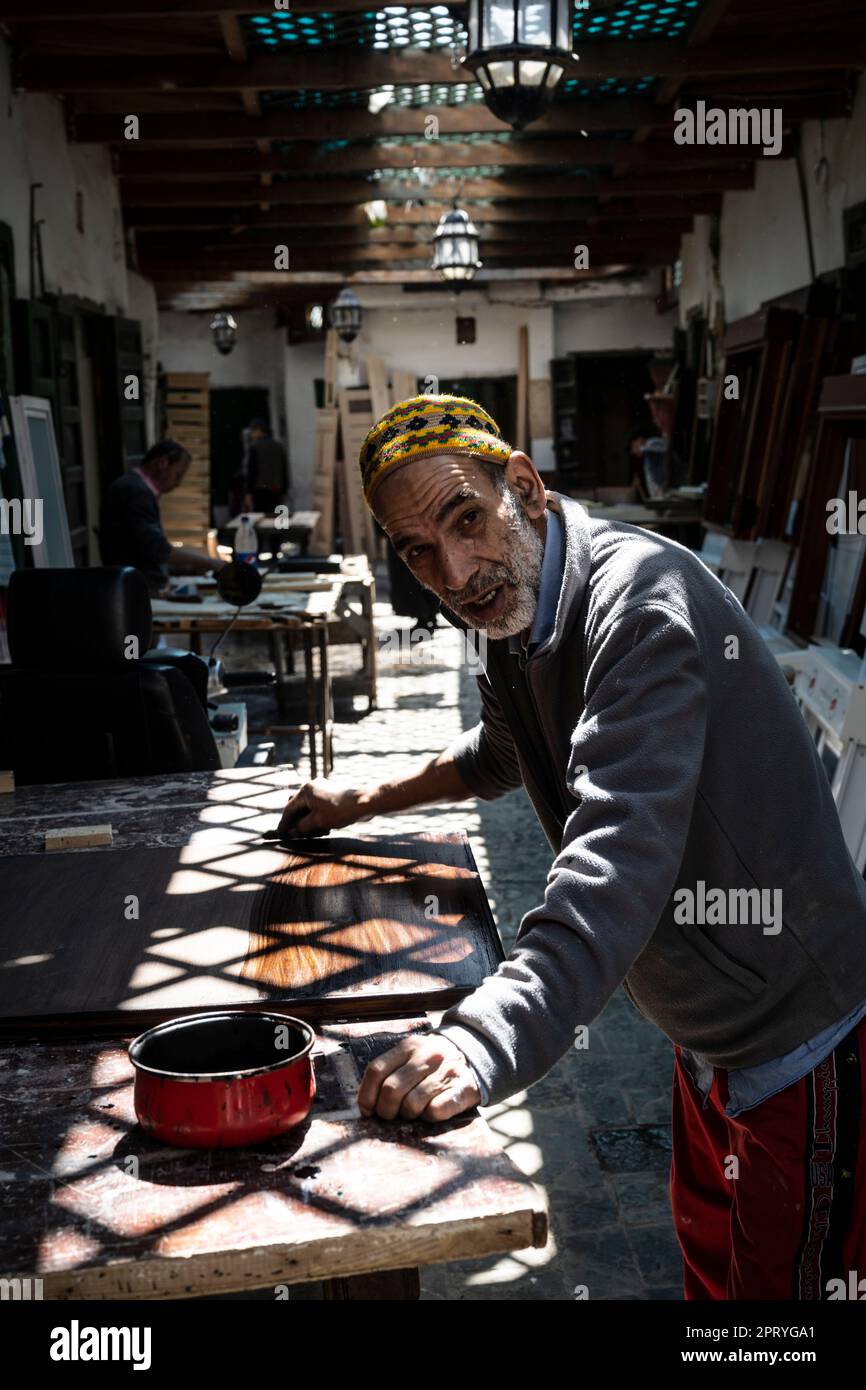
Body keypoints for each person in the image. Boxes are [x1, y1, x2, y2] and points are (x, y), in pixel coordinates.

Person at [277, 393, 866, 1301]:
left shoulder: (639, 610)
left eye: (467, 520)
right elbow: (504, 751)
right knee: (718, 1287)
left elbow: (612, 864)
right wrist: (361, 797)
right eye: (420, 552)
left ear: (524, 487)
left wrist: (478, 1042)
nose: (459, 570)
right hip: (708, 1032)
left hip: (797, 1035)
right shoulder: (519, 608)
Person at [99, 439, 213, 594]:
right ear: (162, 463)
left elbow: (144, 551)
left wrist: (191, 567)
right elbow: (157, 549)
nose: (178, 483)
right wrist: (210, 562)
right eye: (178, 475)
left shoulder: (135, 488)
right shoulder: (136, 493)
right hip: (133, 589)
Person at [242, 417, 290, 517]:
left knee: (261, 518)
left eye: (252, 430)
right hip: (277, 489)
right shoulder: (278, 446)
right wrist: (285, 488)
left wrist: (248, 492)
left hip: (260, 491)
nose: (251, 434)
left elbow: (252, 471)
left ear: (258, 430)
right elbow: (284, 469)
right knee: (275, 516)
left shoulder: (254, 447)